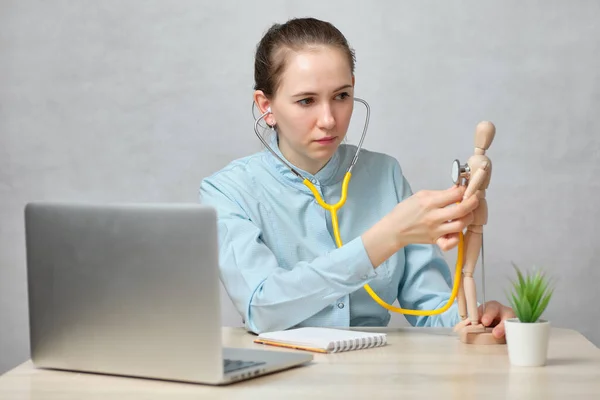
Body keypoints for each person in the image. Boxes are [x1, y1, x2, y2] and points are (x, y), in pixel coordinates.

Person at [199, 17, 514, 336]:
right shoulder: (227, 191)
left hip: (375, 376)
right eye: (306, 101)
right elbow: (261, 308)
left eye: (341, 96)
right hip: (282, 377)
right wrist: (387, 236)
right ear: (266, 106)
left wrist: (476, 320)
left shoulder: (384, 175)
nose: (328, 120)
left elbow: (432, 309)